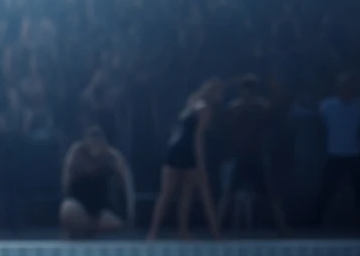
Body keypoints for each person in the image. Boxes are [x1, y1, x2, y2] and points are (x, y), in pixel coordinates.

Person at [147, 78, 224, 240]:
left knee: (179, 192)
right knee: (204, 192)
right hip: (187, 150)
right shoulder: (205, 109)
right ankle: (216, 234)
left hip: (174, 148)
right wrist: (201, 165)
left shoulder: (192, 101)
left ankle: (160, 232)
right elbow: (197, 138)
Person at [217, 75, 288, 234]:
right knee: (227, 193)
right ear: (241, 92)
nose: (247, 95)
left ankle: (283, 228)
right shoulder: (234, 107)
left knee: (271, 193)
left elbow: (278, 105)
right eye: (245, 91)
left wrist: (274, 88)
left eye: (250, 91)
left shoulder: (260, 107)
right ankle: (216, 227)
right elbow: (226, 123)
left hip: (256, 155)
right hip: (239, 156)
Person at [313, 73, 360, 228]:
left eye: (350, 85)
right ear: (338, 87)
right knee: (327, 191)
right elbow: (320, 126)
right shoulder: (327, 105)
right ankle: (316, 222)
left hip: (355, 154)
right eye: (344, 85)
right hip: (335, 154)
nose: (347, 88)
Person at [59, 125, 134, 239]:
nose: (95, 144)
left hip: (100, 208)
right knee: (67, 210)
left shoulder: (111, 155)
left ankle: (87, 228)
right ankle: (80, 227)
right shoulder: (77, 152)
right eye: (92, 139)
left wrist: (130, 210)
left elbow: (127, 182)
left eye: (98, 140)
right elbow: (66, 179)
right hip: (79, 203)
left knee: (116, 224)